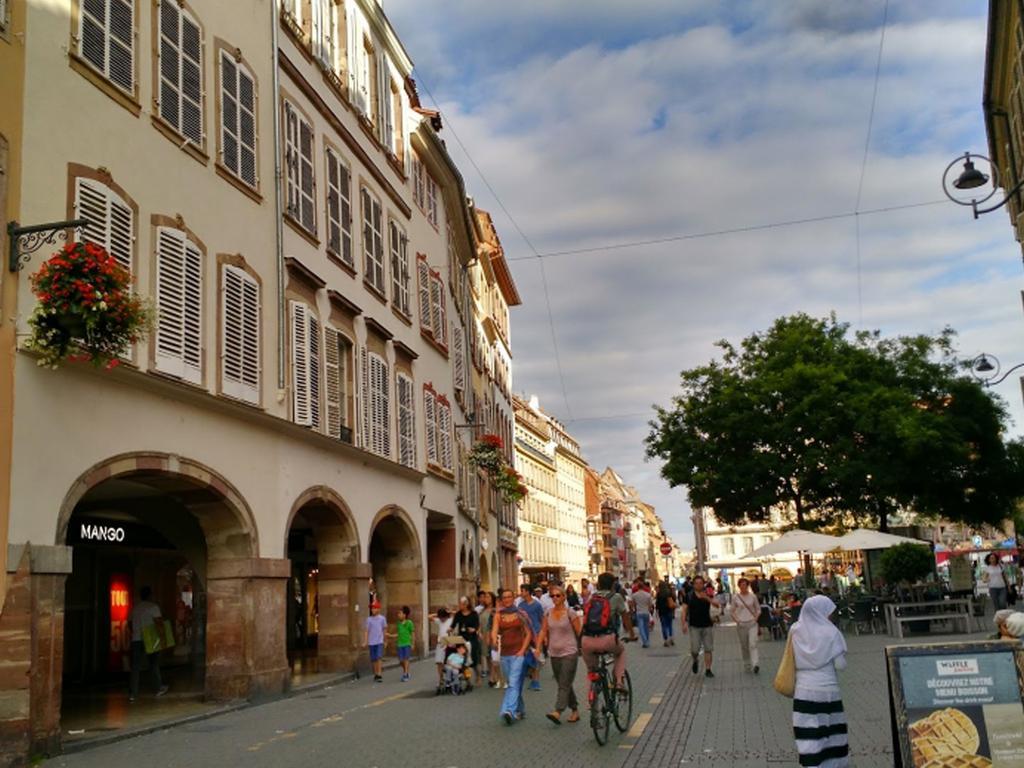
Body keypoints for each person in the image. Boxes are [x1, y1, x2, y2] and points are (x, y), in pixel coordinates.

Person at [789, 595, 849, 767]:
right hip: (829, 690)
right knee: (832, 734)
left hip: (804, 691)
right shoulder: (831, 632)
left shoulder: (795, 630)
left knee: (808, 735)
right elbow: (840, 665)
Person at [535, 584, 582, 725]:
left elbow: (579, 632)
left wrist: (584, 648)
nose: (554, 598)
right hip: (554, 653)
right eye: (552, 596)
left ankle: (558, 711)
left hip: (570, 651)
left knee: (564, 683)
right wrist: (538, 647)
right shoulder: (548, 613)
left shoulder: (570, 613)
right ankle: (575, 710)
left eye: (558, 595)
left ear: (564, 597)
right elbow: (543, 631)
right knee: (564, 683)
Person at [581, 572, 631, 690]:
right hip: (607, 640)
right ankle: (619, 681)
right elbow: (625, 617)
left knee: (591, 671)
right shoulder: (616, 597)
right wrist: (631, 634)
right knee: (621, 652)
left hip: (587, 641)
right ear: (613, 584)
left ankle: (591, 701)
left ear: (598, 584)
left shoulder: (591, 598)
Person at [492, 588, 533, 724]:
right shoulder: (498, 615)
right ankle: (520, 709)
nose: (507, 599)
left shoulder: (520, 614)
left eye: (509, 597)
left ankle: (508, 710)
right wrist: (493, 641)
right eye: (504, 597)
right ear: (502, 600)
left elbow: (528, 633)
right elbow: (494, 631)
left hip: (518, 653)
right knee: (513, 684)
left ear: (514, 598)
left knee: (513, 682)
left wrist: (522, 650)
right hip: (504, 654)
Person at [129, 586, 169, 702]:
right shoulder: (153, 607)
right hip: (150, 638)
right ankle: (158, 688)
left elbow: (129, 623)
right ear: (150, 595)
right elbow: (159, 624)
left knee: (135, 667)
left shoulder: (135, 608)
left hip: (136, 639)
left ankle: (133, 693)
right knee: (153, 664)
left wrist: (135, 632)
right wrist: (163, 640)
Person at [681, 575, 715, 678]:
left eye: (701, 583)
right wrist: (683, 623)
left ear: (703, 584)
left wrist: (707, 598)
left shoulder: (708, 593)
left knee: (708, 648)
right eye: (696, 583)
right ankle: (695, 659)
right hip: (694, 626)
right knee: (695, 649)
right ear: (693, 585)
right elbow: (684, 610)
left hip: (707, 625)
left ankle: (708, 669)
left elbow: (717, 604)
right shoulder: (689, 595)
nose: (699, 585)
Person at [518, 584, 546, 691]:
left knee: (536, 657)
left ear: (528, 592)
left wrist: (544, 634)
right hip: (525, 635)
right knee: (526, 657)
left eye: (523, 590)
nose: (521, 593)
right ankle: (530, 674)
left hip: (537, 633)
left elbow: (542, 619)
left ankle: (536, 681)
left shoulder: (537, 605)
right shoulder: (520, 605)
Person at [730, 578, 761, 674]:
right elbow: (731, 611)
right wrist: (737, 620)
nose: (743, 586)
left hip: (752, 623)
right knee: (744, 646)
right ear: (739, 586)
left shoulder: (753, 597)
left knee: (753, 644)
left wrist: (756, 618)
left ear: (748, 586)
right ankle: (747, 664)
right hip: (741, 624)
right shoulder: (735, 597)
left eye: (745, 584)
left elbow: (758, 609)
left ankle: (755, 664)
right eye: (741, 585)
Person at [451, 596, 481, 684]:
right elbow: (453, 624)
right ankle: (468, 679)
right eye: (460, 603)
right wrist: (450, 629)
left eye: (462, 603)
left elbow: (477, 625)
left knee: (473, 661)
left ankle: (478, 675)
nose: (460, 605)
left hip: (472, 638)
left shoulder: (473, 613)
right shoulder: (458, 614)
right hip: (462, 639)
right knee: (463, 660)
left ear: (467, 604)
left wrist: (474, 629)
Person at [431, 607, 453, 694]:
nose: (442, 619)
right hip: (440, 643)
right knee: (439, 662)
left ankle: (448, 678)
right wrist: (437, 614)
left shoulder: (451, 620)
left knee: (447, 662)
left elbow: (458, 614)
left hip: (448, 643)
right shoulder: (439, 621)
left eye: (443, 617)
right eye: (440, 617)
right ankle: (440, 679)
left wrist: (450, 612)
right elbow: (429, 617)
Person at [388, 605, 414, 682]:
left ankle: (405, 673)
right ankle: (406, 670)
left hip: (407, 643)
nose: (398, 615)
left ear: (404, 615)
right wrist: (391, 635)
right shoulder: (398, 623)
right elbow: (398, 634)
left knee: (406, 659)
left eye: (400, 613)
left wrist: (413, 643)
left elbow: (412, 633)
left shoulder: (409, 623)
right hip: (400, 644)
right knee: (401, 660)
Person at [364, 601, 387, 682]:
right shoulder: (369, 619)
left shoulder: (382, 619)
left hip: (379, 641)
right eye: (372, 608)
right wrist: (366, 641)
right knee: (373, 658)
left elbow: (384, 629)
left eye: (374, 608)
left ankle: (379, 673)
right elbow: (366, 630)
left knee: (378, 657)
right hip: (371, 641)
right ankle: (376, 673)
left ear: (378, 609)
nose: (372, 610)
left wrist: (384, 639)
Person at [477, 591, 496, 686]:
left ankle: (493, 676)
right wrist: (479, 632)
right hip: (484, 636)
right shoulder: (482, 611)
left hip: (493, 635)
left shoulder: (495, 611)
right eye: (485, 597)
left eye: (488, 597)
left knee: (493, 656)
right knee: (487, 656)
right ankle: (491, 674)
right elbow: (479, 623)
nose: (486, 599)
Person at [631, 580, 654, 648]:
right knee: (646, 627)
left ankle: (645, 642)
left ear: (638, 587)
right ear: (643, 587)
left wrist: (634, 609)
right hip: (646, 612)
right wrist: (649, 610)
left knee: (641, 628)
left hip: (639, 612)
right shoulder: (648, 595)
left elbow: (633, 604)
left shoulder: (635, 595)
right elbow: (650, 604)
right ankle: (647, 640)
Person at [655, 582, 677, 647]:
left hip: (662, 612)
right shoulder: (669, 593)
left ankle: (666, 640)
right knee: (670, 625)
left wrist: (656, 611)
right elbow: (673, 600)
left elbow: (657, 604)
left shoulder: (659, 594)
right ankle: (671, 638)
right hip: (669, 611)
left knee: (664, 626)